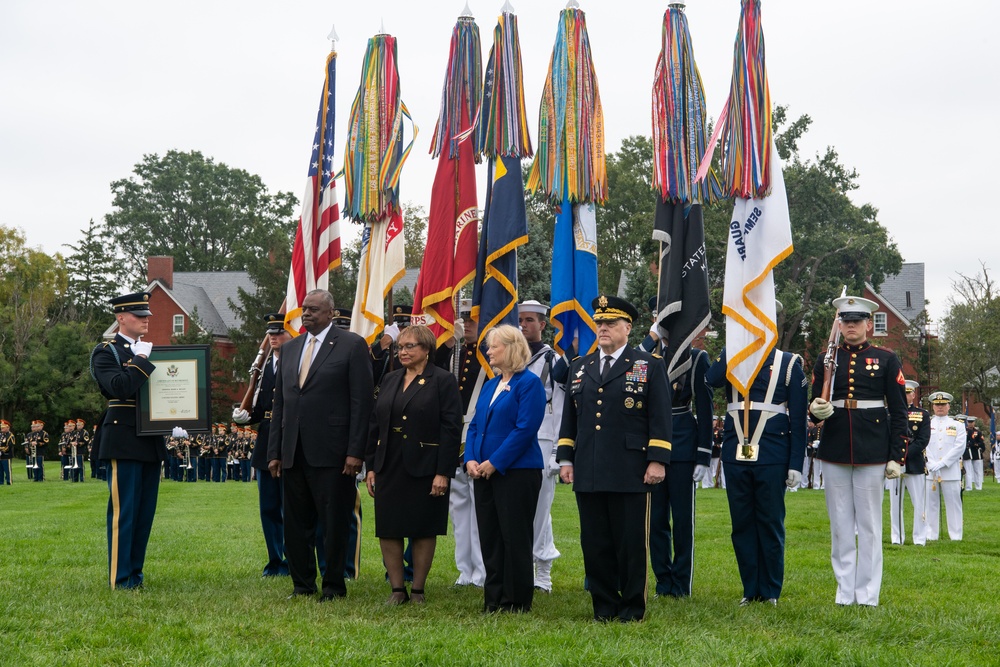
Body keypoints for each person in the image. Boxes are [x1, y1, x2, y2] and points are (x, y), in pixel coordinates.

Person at [558, 295, 671, 623]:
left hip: (630, 469)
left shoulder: (648, 365)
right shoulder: (581, 366)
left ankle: (633, 608)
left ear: (627, 327)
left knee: (630, 543)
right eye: (599, 323)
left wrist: (658, 459)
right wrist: (566, 458)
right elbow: (570, 419)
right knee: (594, 542)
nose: (602, 328)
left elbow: (660, 418)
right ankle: (604, 606)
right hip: (589, 467)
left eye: (609, 323)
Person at [267, 290, 374, 601]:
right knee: (295, 523)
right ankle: (302, 585)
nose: (307, 314)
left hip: (334, 452)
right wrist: (275, 451)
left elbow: (361, 402)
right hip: (293, 451)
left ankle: (333, 586)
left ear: (330, 312)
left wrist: (356, 452)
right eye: (304, 309)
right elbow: (281, 404)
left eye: (314, 309)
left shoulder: (351, 345)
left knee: (333, 522)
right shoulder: (290, 349)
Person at [808, 295, 907, 607]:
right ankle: (844, 591)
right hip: (836, 446)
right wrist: (815, 410)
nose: (851, 326)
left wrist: (896, 455)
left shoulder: (887, 359)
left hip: (873, 449)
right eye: (846, 321)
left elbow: (900, 411)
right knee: (839, 524)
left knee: (869, 525)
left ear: (868, 325)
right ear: (839, 324)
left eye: (857, 321)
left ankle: (867, 594)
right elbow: (813, 408)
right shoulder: (825, 360)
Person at [365, 325, 462, 604]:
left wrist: (443, 472)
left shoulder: (442, 380)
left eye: (409, 346)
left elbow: (451, 428)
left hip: (425, 465)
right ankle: (397, 589)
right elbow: (376, 424)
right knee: (389, 526)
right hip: (389, 462)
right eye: (400, 346)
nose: (402, 351)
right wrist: (371, 465)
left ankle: (417, 589)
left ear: (426, 350)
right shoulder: (391, 379)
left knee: (422, 527)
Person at [706, 345, 807, 606]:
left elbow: (797, 418)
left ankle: (770, 590)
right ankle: (750, 589)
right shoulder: (735, 354)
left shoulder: (788, 362)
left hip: (773, 453)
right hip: (735, 451)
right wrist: (731, 345)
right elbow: (711, 378)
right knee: (742, 524)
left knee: (770, 522)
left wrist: (796, 463)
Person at [465, 324, 545, 613]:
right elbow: (475, 426)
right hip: (482, 471)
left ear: (511, 348)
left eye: (493, 346)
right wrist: (470, 459)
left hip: (517, 472)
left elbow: (525, 429)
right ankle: (494, 598)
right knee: (490, 536)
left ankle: (516, 600)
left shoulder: (529, 384)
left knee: (514, 535)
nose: (488, 351)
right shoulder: (490, 384)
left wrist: (495, 462)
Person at [90, 291, 167, 589]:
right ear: (121, 318)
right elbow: (119, 387)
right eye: (138, 315)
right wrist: (141, 359)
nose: (145, 320)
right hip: (123, 438)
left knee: (145, 513)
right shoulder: (106, 352)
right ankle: (120, 578)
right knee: (125, 512)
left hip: (150, 439)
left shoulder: (147, 351)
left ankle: (136, 574)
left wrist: (177, 421)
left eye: (146, 315)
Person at [639, 311, 713, 599]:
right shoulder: (646, 356)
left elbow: (705, 410)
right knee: (655, 520)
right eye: (661, 320)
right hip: (649, 445)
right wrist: (651, 337)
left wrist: (703, 454)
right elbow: (629, 363)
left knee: (682, 520)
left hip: (683, 442)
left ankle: (681, 583)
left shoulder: (696, 358)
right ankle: (663, 580)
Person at [234, 313, 293, 577]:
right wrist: (246, 417)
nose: (274, 337)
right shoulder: (264, 365)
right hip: (267, 439)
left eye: (279, 332)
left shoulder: (300, 362)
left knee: (292, 508)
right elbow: (260, 407)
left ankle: (294, 560)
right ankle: (275, 560)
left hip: (291, 438)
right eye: (270, 333)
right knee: (268, 507)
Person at [518, 300, 565, 593]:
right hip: (514, 441)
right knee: (519, 508)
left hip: (543, 439)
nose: (524, 325)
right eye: (520, 320)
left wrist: (557, 451)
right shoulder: (512, 356)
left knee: (540, 510)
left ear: (543, 325)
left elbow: (560, 406)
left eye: (530, 320)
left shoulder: (553, 361)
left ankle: (543, 570)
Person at [449, 302, 487, 587]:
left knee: (480, 506)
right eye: (464, 320)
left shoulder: (488, 356)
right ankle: (465, 569)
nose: (468, 324)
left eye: (473, 319)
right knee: (459, 508)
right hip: (453, 433)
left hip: (478, 435)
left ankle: (483, 570)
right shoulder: (454, 353)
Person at [889, 380, 930, 545]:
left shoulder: (922, 414)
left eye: (908, 393)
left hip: (914, 463)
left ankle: (919, 538)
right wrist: (895, 456)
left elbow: (923, 440)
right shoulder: (888, 412)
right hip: (893, 464)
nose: (906, 395)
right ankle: (896, 537)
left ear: (913, 395)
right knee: (895, 503)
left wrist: (904, 455)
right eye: (903, 392)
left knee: (919, 503)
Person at [923, 391, 966, 541]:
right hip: (931, 471)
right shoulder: (926, 424)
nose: (940, 407)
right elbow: (923, 445)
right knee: (930, 505)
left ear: (949, 406)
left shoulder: (957, 425)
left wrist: (942, 463)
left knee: (954, 505)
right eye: (937, 405)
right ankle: (931, 535)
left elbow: (959, 447)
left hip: (950, 471)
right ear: (933, 406)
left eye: (943, 404)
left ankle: (955, 536)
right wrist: (930, 463)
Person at [963, 416, 985, 491]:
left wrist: (976, 445)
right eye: (969, 422)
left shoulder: (978, 432)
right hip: (968, 452)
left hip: (976, 452)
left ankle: (978, 486)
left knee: (977, 470)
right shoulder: (964, 430)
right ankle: (968, 487)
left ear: (974, 423)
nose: (970, 424)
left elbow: (981, 442)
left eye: (972, 422)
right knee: (968, 471)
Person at [0, 419, 14, 485]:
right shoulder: (0, 435)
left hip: (6, 455)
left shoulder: (10, 435)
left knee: (7, 470)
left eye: (3, 427)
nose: (1, 428)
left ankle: (9, 481)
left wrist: (2, 451)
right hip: (0, 456)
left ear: (8, 427)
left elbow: (10, 445)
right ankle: (1, 482)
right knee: (0, 470)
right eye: (1, 427)